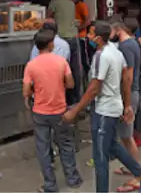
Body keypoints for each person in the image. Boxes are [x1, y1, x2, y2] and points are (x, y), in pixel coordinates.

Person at [63, 21, 141, 193]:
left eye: (91, 34)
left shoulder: (102, 56)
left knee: (100, 157)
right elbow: (125, 79)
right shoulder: (116, 51)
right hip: (113, 106)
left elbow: (94, 87)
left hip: (105, 110)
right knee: (112, 146)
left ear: (98, 38)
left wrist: (75, 110)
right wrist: (126, 105)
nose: (88, 37)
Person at [23, 29, 82, 193]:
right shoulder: (61, 62)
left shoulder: (31, 65)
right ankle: (72, 178)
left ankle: (50, 185)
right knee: (65, 143)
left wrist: (28, 99)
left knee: (43, 147)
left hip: (40, 112)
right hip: (59, 110)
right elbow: (70, 84)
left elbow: (26, 90)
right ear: (50, 44)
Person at [110, 22, 141, 182]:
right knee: (126, 136)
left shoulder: (125, 47)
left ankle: (138, 174)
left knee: (126, 136)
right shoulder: (133, 42)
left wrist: (127, 103)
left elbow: (128, 75)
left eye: (111, 31)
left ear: (118, 30)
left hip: (130, 93)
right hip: (131, 92)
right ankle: (132, 167)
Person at [47, 0, 81, 106]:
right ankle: (77, 98)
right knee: (75, 69)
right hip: (74, 38)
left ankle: (63, 100)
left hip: (61, 38)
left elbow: (47, 17)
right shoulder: (71, 3)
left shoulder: (54, 2)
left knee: (61, 70)